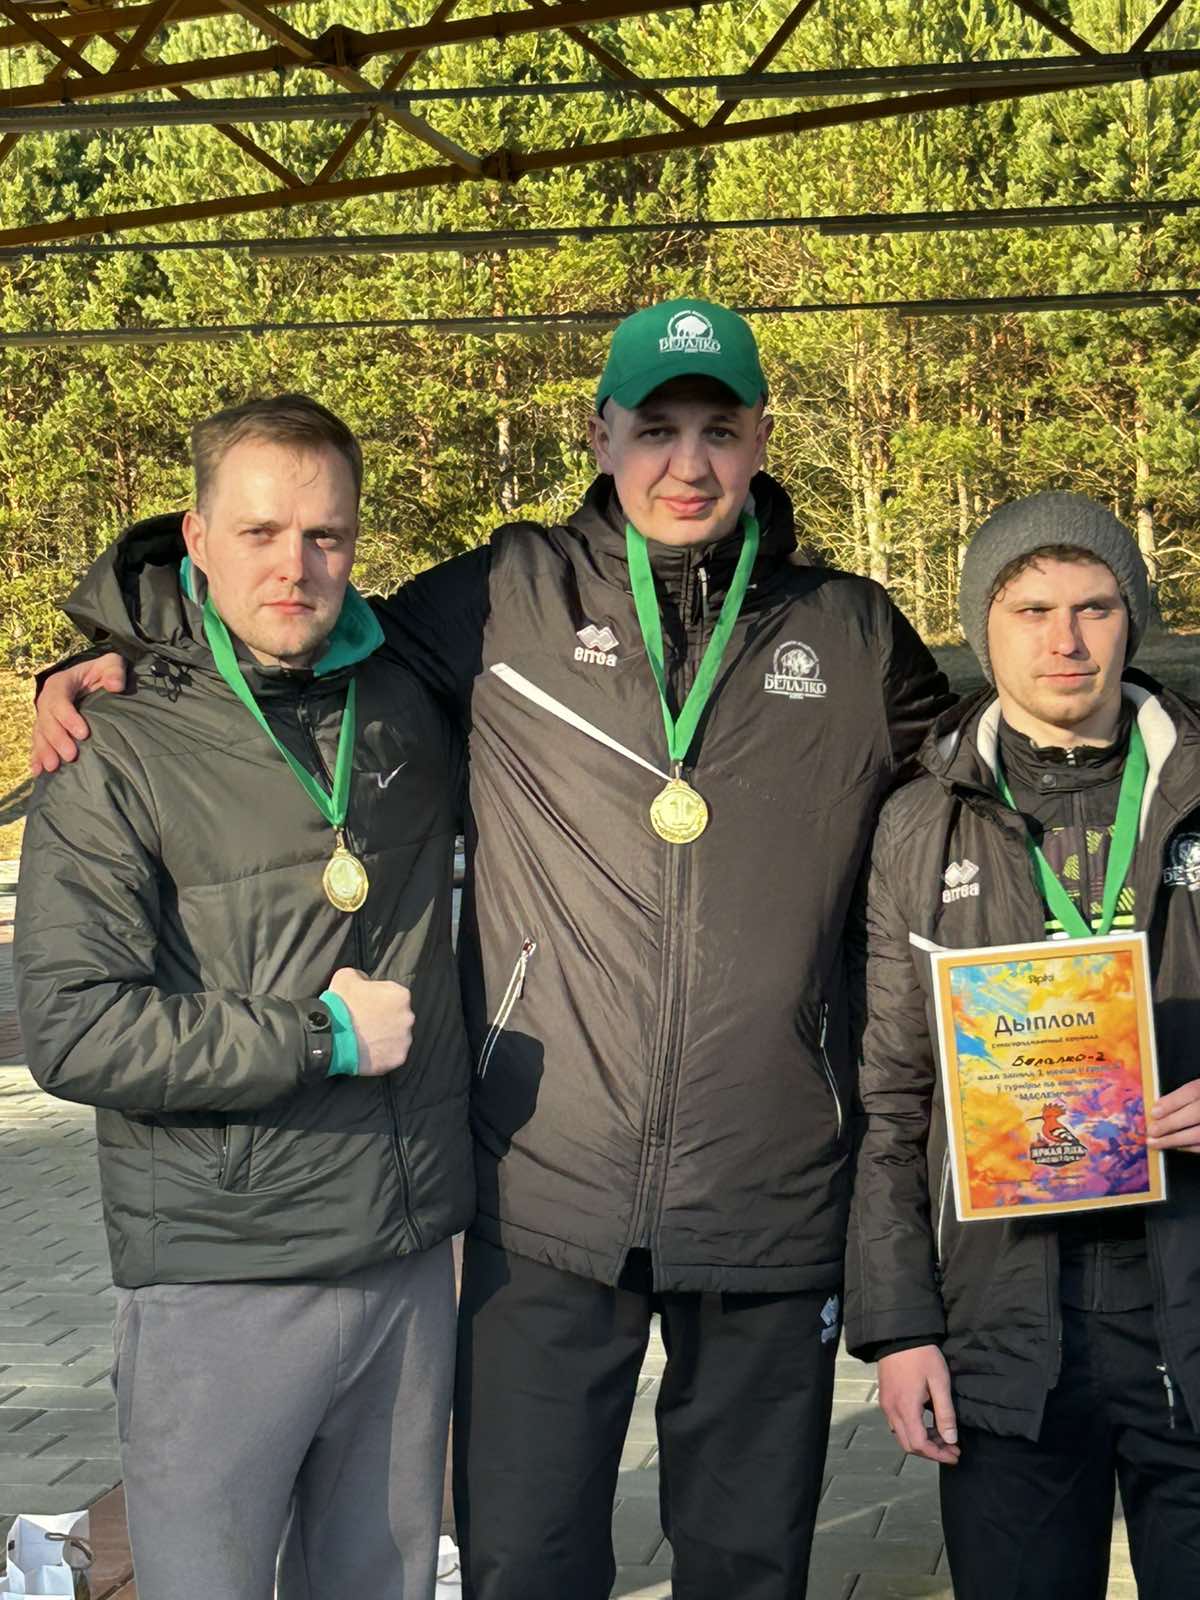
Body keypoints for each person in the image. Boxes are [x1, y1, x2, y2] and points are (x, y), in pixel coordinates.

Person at [32, 300, 951, 1600]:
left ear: (760, 438)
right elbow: (297, 639)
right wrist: (126, 650)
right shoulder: (504, 597)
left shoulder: (850, 635)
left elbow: (987, 777)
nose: (687, 462)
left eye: (718, 429)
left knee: (750, 1565)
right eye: (656, 428)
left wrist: (1129, 713)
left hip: (772, 1183)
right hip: (544, 1183)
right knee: (526, 1561)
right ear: (602, 434)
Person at [15, 395, 473, 1600]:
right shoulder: (114, 744)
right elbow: (73, 1026)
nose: (294, 567)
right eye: (261, 532)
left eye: (326, 536)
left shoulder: (407, 697)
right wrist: (321, 1037)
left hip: (406, 1258)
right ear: (197, 536)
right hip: (222, 1273)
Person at [846, 492, 1200, 1600]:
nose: (1066, 639)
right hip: (1004, 1320)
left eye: (1096, 606)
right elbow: (892, 1096)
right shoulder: (921, 817)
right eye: (1031, 610)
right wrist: (900, 1330)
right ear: (981, 629)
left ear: (1133, 620)